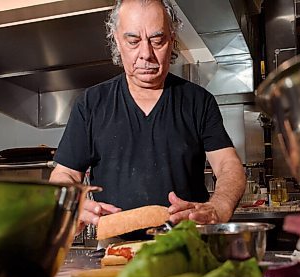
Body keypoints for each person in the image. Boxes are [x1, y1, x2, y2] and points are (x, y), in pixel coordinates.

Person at [49, 0, 246, 239]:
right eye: (133, 41)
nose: (146, 54)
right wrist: (72, 200)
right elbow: (65, 174)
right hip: (115, 247)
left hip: (188, 241)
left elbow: (228, 165)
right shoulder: (91, 104)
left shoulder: (198, 101)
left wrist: (219, 207)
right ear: (117, 39)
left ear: (172, 38)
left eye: (157, 40)